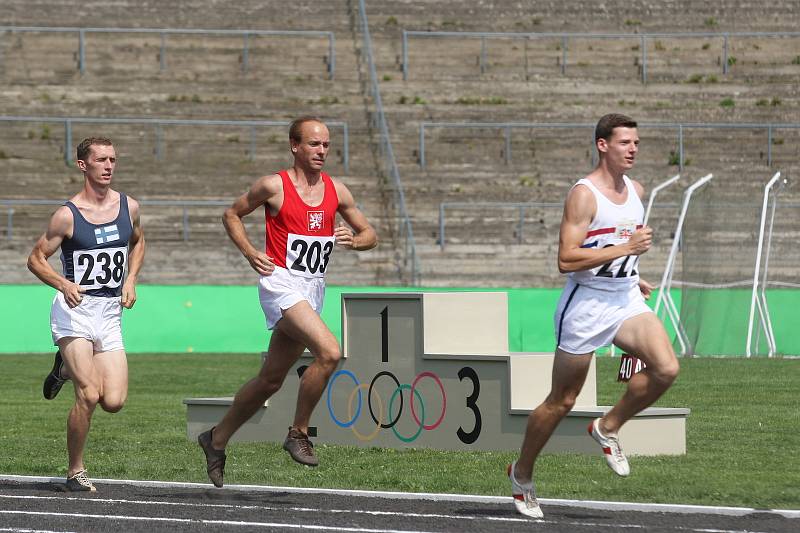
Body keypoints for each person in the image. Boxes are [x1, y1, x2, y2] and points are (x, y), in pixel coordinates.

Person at [508, 114, 680, 518]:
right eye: (624, 142)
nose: (633, 149)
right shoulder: (584, 194)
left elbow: (614, 246)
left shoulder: (636, 190)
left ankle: (608, 427)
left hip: (623, 299)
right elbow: (567, 259)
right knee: (562, 400)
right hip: (585, 306)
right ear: (603, 145)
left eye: (636, 142)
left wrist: (633, 275)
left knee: (666, 369)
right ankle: (522, 473)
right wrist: (626, 252)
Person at [198, 116, 378, 487]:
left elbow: (369, 233)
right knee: (329, 352)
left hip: (312, 288)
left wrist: (355, 241)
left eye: (326, 145)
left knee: (270, 380)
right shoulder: (274, 186)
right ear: (295, 146)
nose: (322, 151)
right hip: (280, 284)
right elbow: (232, 214)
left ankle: (215, 439)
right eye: (314, 144)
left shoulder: (336, 191)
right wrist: (249, 251)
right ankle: (298, 432)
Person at [27, 137, 145, 492]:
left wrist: (132, 278)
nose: (109, 166)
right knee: (89, 394)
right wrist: (63, 284)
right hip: (74, 312)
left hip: (109, 314)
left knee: (114, 401)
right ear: (83, 165)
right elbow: (35, 259)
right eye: (101, 160)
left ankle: (62, 367)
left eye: (113, 159)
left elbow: (138, 241)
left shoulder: (130, 207)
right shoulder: (67, 215)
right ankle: (75, 470)